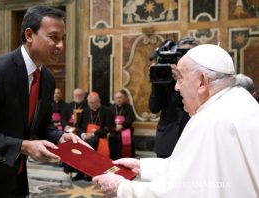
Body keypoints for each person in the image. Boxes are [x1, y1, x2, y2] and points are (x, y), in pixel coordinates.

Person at [93, 44, 259, 197]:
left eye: (180, 78)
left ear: (202, 82)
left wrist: (122, 188)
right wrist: (141, 167)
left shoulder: (209, 120)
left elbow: (178, 191)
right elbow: (190, 167)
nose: (176, 87)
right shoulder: (239, 101)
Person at [0, 6, 87, 198]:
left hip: (16, 177)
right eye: (53, 37)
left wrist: (60, 137)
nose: (60, 45)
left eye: (63, 39)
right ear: (29, 35)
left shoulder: (47, 78)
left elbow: (43, 126)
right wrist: (23, 146)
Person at [149, 36, 198, 158]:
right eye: (181, 53)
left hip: (193, 140)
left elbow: (196, 105)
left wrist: (181, 80)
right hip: (167, 140)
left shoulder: (202, 76)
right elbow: (154, 108)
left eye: (187, 53)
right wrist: (156, 81)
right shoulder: (165, 74)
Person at [108, 90, 136, 160]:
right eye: (117, 98)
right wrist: (114, 126)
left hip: (125, 129)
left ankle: (127, 160)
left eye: (120, 97)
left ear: (124, 98)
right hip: (114, 130)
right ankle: (114, 159)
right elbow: (108, 119)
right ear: (114, 99)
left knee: (127, 139)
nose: (119, 99)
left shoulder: (128, 107)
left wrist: (122, 126)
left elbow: (131, 118)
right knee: (112, 138)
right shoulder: (110, 108)